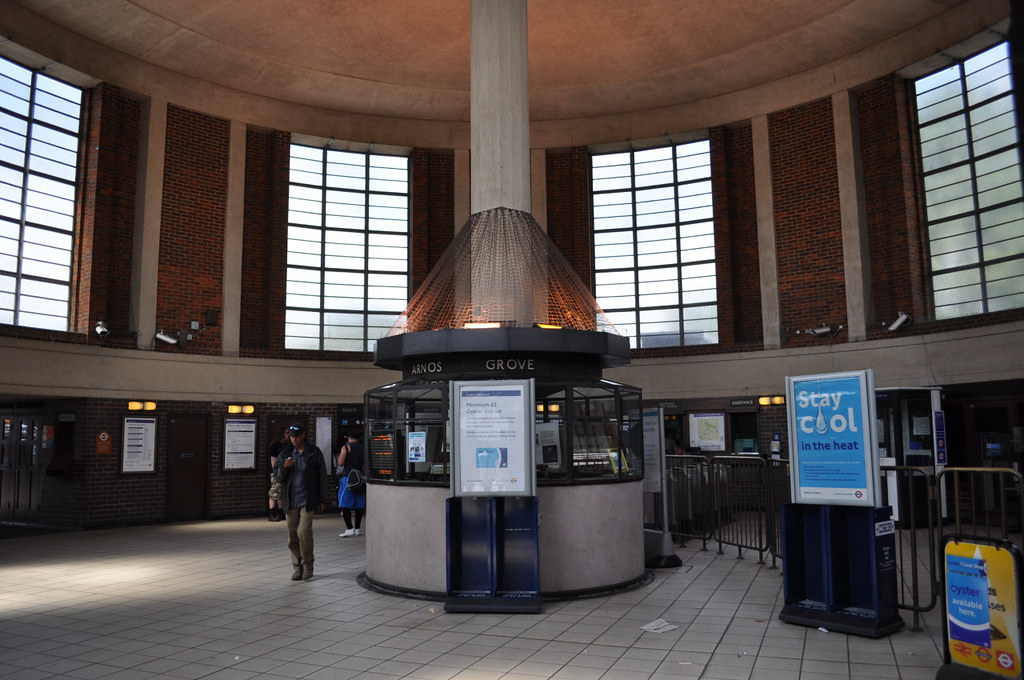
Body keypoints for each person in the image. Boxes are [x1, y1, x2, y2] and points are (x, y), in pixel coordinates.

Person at [272, 422, 329, 581]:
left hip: (308, 500)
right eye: (291, 436)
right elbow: (277, 477)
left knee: (303, 532)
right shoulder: (285, 454)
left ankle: (308, 566)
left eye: (296, 436)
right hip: (291, 501)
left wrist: (323, 498)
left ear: (303, 435)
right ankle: (297, 567)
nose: (294, 439)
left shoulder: (314, 453)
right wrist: (284, 467)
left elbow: (322, 476)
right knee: (292, 537)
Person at [337, 432, 366, 537]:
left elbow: (340, 462)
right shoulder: (363, 448)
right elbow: (364, 466)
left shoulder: (346, 446)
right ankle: (358, 528)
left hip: (348, 478)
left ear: (349, 438)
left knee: (344, 503)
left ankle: (349, 528)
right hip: (360, 478)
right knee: (359, 504)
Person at [267, 428, 288, 521]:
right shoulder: (274, 446)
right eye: (287, 433)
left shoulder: (285, 445)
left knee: (280, 493)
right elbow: (273, 461)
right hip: (276, 472)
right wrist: (276, 472)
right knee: (274, 492)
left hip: (283, 471)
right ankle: (272, 513)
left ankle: (281, 512)